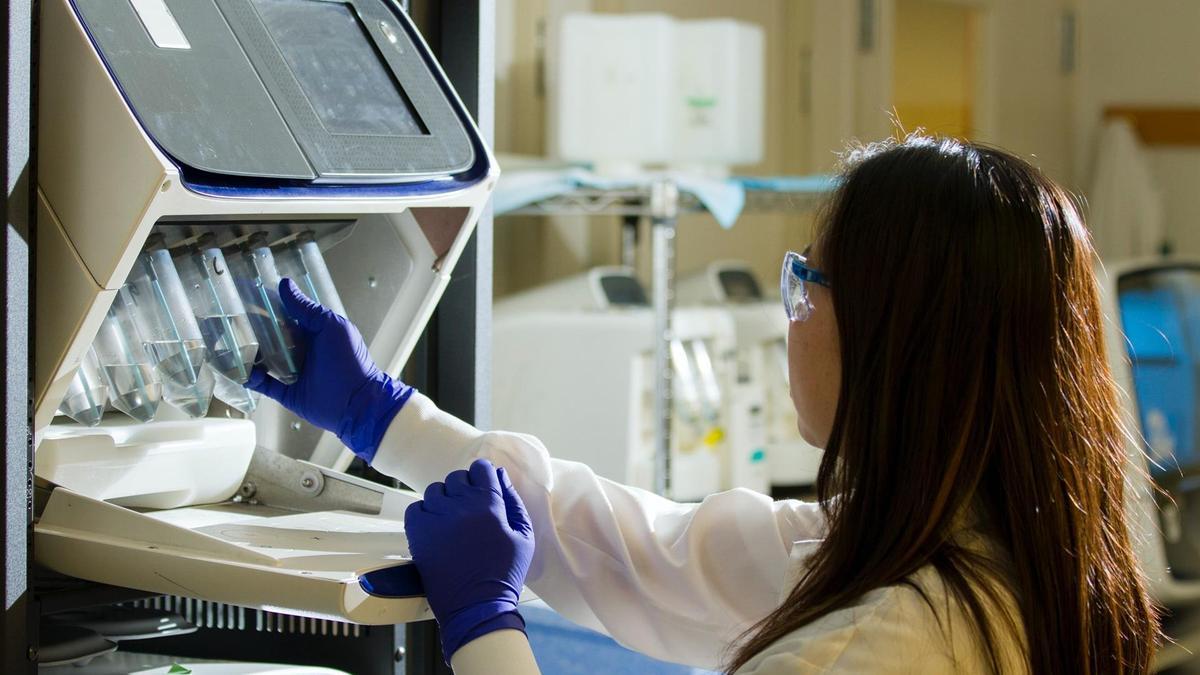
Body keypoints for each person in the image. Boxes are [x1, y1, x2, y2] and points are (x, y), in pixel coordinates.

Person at [248, 135, 1159, 674]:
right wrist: (384, 415)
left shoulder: (877, 648)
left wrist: (486, 627)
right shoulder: (982, 556)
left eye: (808, 283)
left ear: (895, 339)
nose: (791, 312)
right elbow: (644, 551)